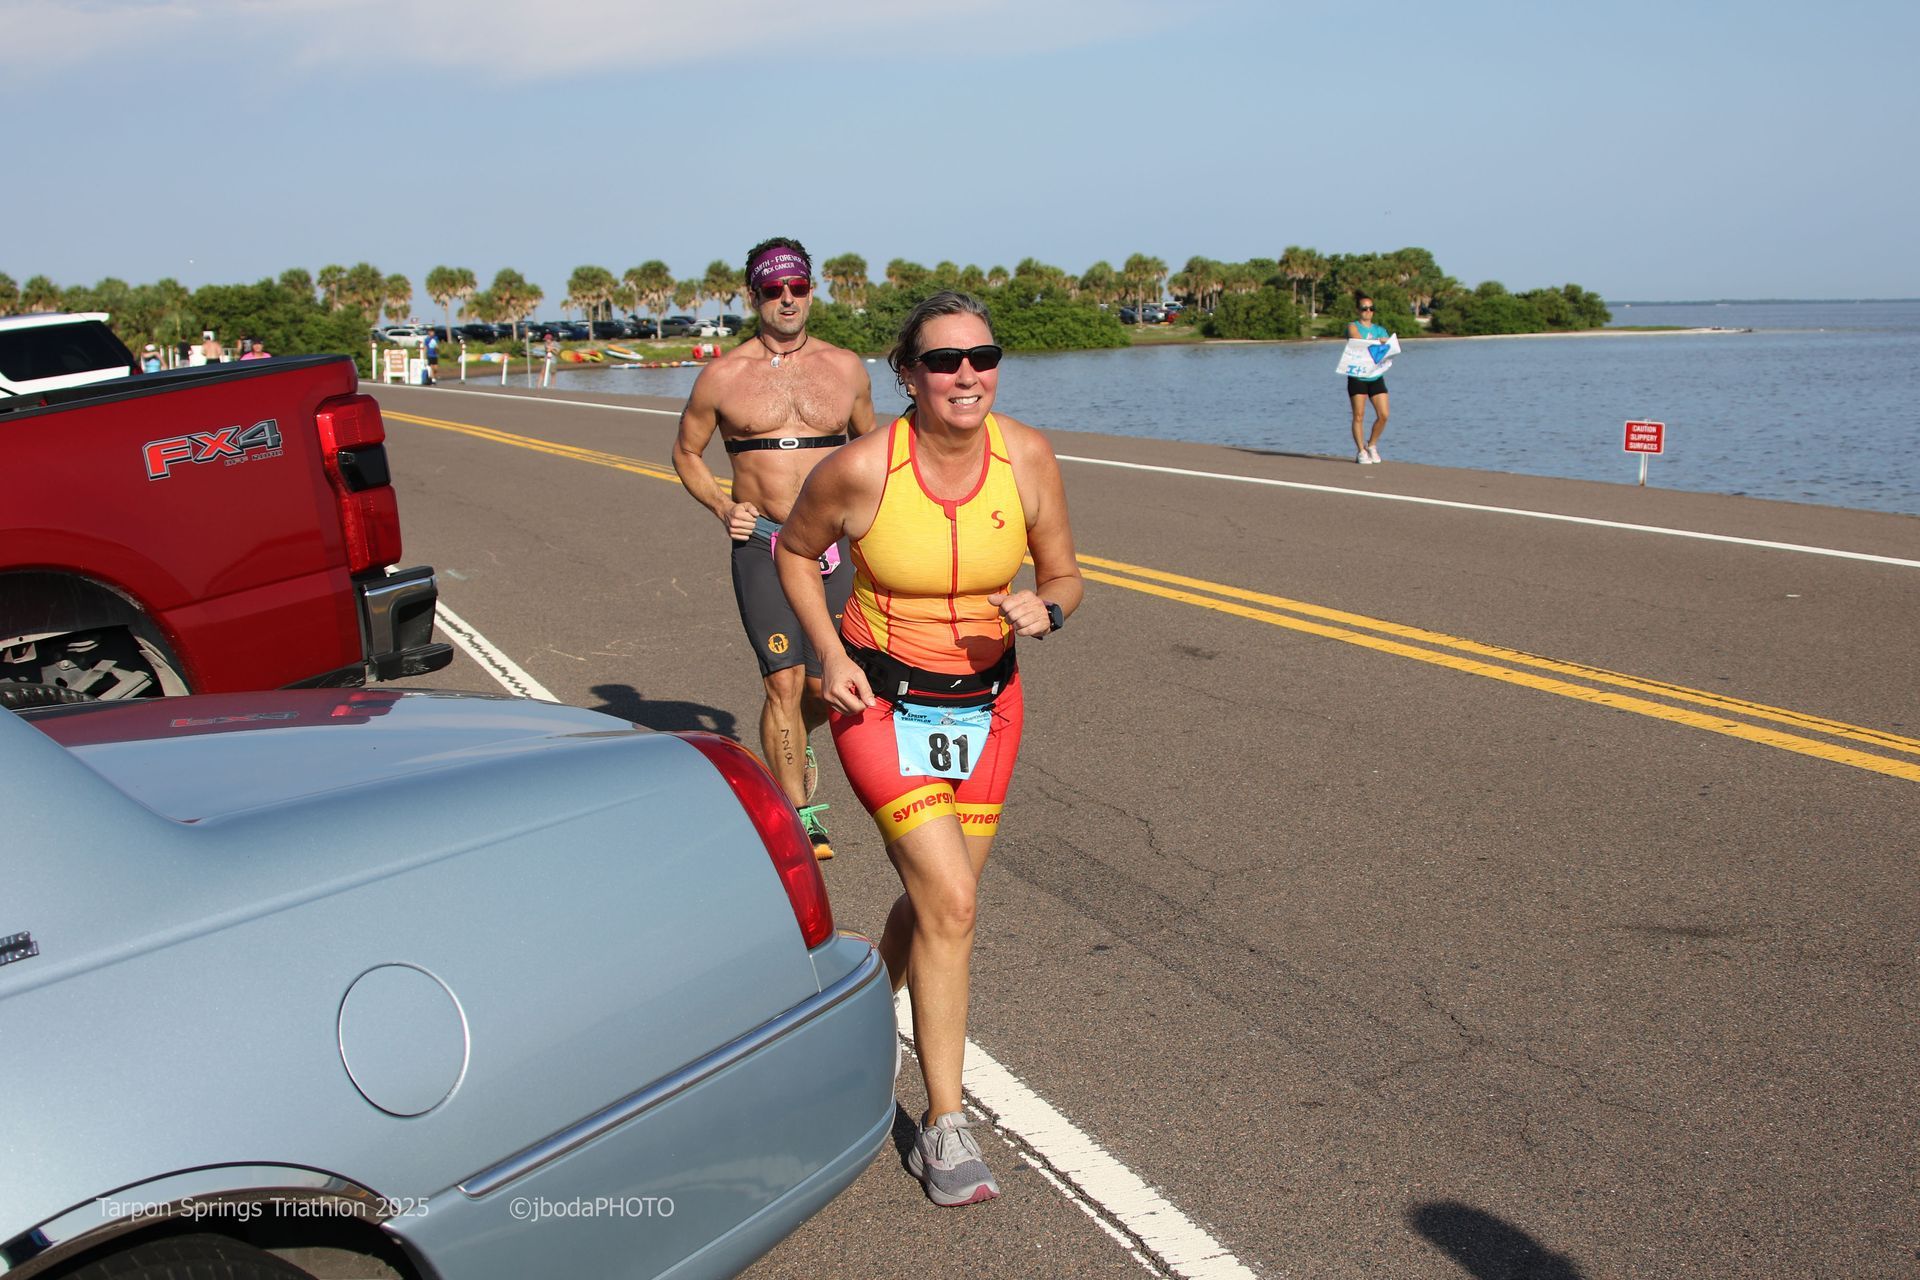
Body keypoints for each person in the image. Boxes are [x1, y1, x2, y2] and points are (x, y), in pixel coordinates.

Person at [774, 291, 1083, 1205]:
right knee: (951, 901)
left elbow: (1066, 571)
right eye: (944, 360)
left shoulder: (1028, 457)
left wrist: (1048, 606)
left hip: (987, 709)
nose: (967, 375)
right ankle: (946, 1126)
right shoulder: (861, 468)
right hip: (883, 702)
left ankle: (860, 1005)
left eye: (983, 357)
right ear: (908, 375)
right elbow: (794, 551)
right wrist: (828, 654)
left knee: (940, 903)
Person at [670, 236, 876, 859]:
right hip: (763, 543)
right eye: (772, 289)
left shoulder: (845, 368)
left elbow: (875, 451)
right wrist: (722, 506)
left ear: (811, 289)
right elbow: (686, 452)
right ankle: (799, 813)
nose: (787, 299)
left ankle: (794, 743)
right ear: (753, 294)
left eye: (798, 286)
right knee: (783, 684)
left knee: (821, 687)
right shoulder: (723, 376)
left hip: (832, 546)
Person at [1347, 294, 1390, 463]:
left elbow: (1389, 346)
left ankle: (1371, 445)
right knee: (1359, 415)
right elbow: (1357, 340)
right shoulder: (1353, 326)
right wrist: (1378, 342)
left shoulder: (1379, 329)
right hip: (1358, 375)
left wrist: (1386, 343)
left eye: (1371, 308)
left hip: (1375, 375)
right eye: (1364, 308)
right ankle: (1361, 451)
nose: (1368, 311)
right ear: (1358, 310)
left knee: (1384, 414)